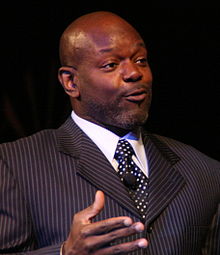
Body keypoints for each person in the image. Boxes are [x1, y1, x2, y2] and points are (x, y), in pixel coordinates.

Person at [0, 10, 219, 255]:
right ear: (71, 82)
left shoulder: (204, 171)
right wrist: (65, 253)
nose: (135, 73)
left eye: (140, 60)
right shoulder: (14, 163)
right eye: (111, 64)